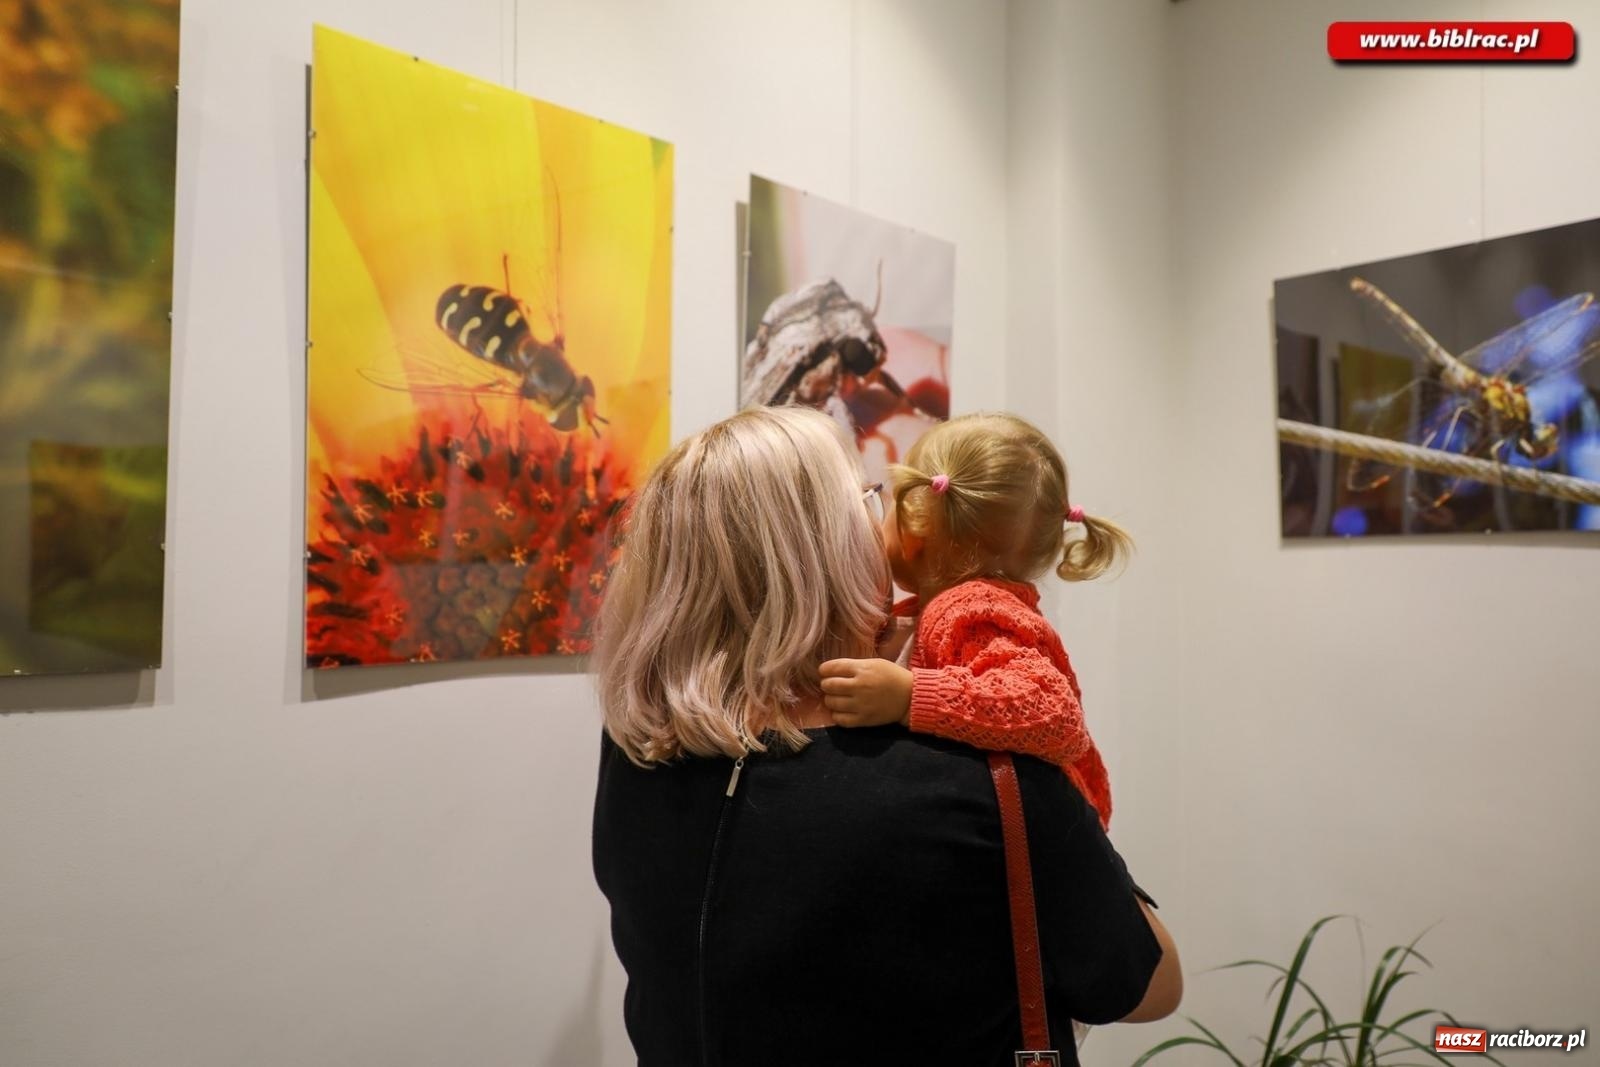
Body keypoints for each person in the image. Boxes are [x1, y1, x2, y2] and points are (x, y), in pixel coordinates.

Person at [591, 406, 1180, 1067]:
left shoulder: (637, 752)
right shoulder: (977, 779)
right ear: (825, 552)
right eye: (868, 501)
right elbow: (1149, 983)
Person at [819, 412, 1127, 829]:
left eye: (887, 504)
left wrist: (911, 697)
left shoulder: (969, 608)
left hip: (1043, 836)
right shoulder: (940, 609)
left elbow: (1054, 712)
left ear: (914, 529)